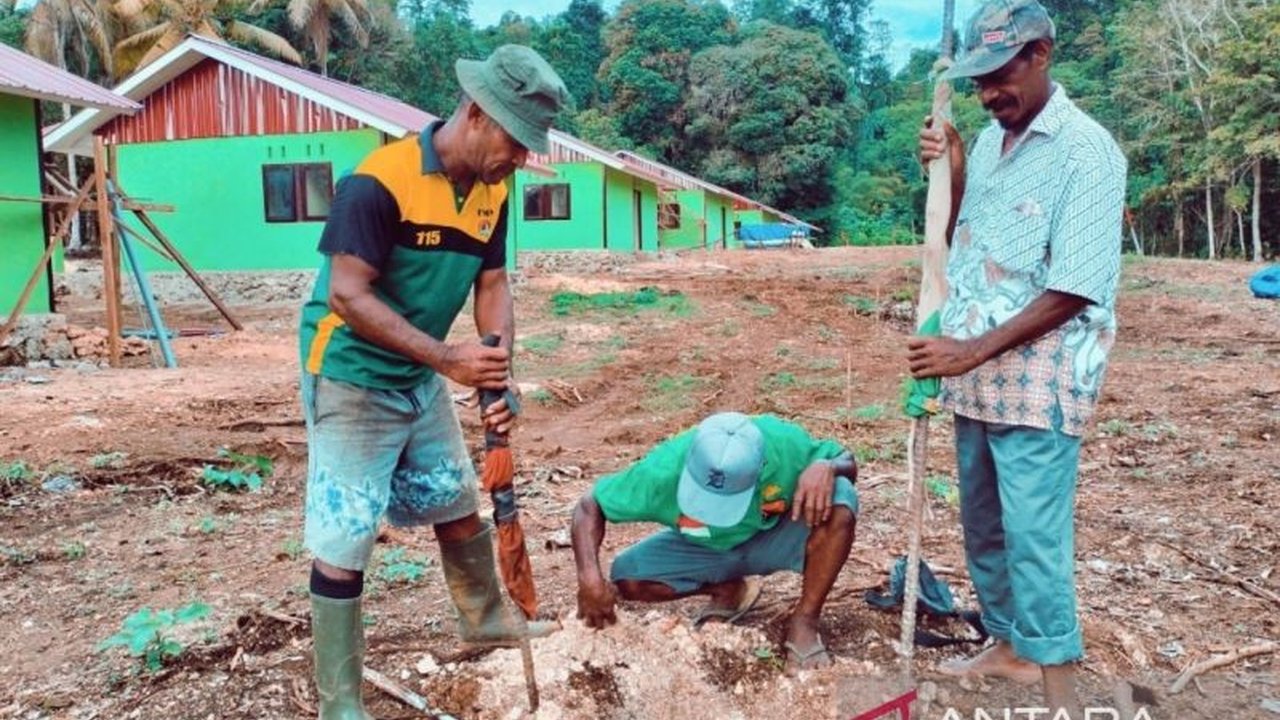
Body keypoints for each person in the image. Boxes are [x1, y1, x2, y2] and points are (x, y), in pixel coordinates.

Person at [296, 45, 569, 719]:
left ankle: (484, 623)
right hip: (352, 375)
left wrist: (494, 370)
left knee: (454, 499)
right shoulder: (379, 183)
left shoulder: (492, 190)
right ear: (476, 114)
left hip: (421, 373)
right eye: (516, 141)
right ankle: (340, 702)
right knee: (346, 534)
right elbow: (348, 297)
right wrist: (448, 360)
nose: (521, 159)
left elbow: (493, 282)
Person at [909, 0, 1126, 715]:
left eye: (1001, 76)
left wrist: (968, 349)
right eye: (979, 83)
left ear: (1040, 55)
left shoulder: (1086, 152)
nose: (990, 94)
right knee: (985, 525)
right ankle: (1008, 645)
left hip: (1038, 383)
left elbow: (1076, 286)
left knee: (1033, 534)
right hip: (974, 382)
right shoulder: (996, 137)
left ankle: (1050, 669)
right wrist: (959, 165)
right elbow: (977, 231)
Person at [570, 412, 858, 673]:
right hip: (706, 549)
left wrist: (829, 467)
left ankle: (804, 620)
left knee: (841, 501)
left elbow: (848, 461)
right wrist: (589, 578)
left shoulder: (781, 443)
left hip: (773, 539)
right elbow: (589, 506)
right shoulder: (662, 470)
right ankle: (729, 589)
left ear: (762, 467)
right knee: (628, 577)